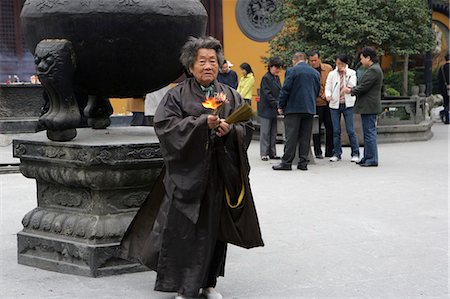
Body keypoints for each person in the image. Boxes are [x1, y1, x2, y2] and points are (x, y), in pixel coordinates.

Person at [120, 36, 263, 299]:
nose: (208, 66)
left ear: (220, 65)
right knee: (183, 231)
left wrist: (230, 131)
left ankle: (208, 283)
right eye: (202, 61)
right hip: (187, 176)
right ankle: (184, 287)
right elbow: (165, 127)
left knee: (214, 231)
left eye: (212, 61)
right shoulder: (176, 95)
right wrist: (199, 125)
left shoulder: (230, 94)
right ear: (190, 66)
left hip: (219, 175)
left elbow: (247, 128)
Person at [272, 52, 320, 171]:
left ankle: (287, 162)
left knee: (291, 137)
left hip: (293, 108)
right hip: (309, 108)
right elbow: (317, 90)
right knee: (305, 137)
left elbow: (286, 89)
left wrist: (281, 105)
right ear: (306, 60)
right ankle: (303, 163)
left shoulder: (292, 71)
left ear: (294, 61)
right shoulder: (315, 73)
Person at [344, 46, 383, 167]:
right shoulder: (374, 69)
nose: (361, 61)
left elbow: (363, 86)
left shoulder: (373, 70)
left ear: (368, 58)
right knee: (367, 132)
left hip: (369, 105)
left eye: (362, 58)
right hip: (368, 105)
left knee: (369, 132)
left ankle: (371, 158)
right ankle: (367, 157)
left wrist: (350, 90)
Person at [325, 54, 360, 162]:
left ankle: (355, 153)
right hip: (335, 104)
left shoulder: (351, 73)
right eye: (338, 63)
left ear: (345, 63)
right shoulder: (331, 74)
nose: (339, 66)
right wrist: (328, 95)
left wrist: (345, 74)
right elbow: (328, 86)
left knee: (350, 130)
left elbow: (352, 85)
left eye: (341, 63)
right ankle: (336, 153)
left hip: (347, 104)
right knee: (336, 130)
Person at [308, 50, 334, 159]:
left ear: (319, 59)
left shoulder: (328, 68)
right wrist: (319, 93)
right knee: (316, 129)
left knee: (330, 127)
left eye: (315, 60)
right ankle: (318, 151)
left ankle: (330, 151)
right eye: (311, 61)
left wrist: (327, 93)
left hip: (328, 103)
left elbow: (333, 82)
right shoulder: (309, 71)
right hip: (316, 103)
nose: (313, 63)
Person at [257, 57, 283, 161]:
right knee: (265, 132)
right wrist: (277, 104)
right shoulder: (266, 78)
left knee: (273, 132)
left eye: (279, 68)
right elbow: (267, 94)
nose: (278, 70)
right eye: (276, 68)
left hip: (274, 109)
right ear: (271, 67)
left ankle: (272, 152)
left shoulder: (277, 78)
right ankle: (264, 153)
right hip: (266, 109)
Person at [438, 53, 449, 124]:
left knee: (446, 103)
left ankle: (445, 116)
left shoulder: (441, 68)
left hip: (444, 88)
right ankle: (445, 116)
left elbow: (439, 79)